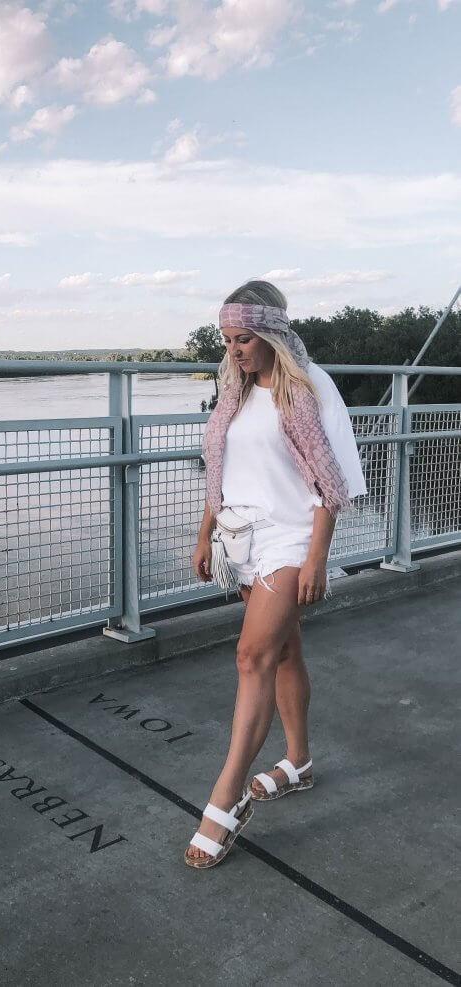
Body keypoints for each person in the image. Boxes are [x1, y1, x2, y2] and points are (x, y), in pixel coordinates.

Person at [184, 279, 367, 869]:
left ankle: (226, 797)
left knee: (251, 657)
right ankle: (300, 762)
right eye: (227, 339)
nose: (233, 350)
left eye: (242, 339)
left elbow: (326, 483)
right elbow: (221, 466)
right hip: (241, 537)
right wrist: (204, 531)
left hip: (289, 538)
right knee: (284, 653)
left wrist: (316, 557)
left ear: (271, 335)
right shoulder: (233, 392)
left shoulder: (299, 394)